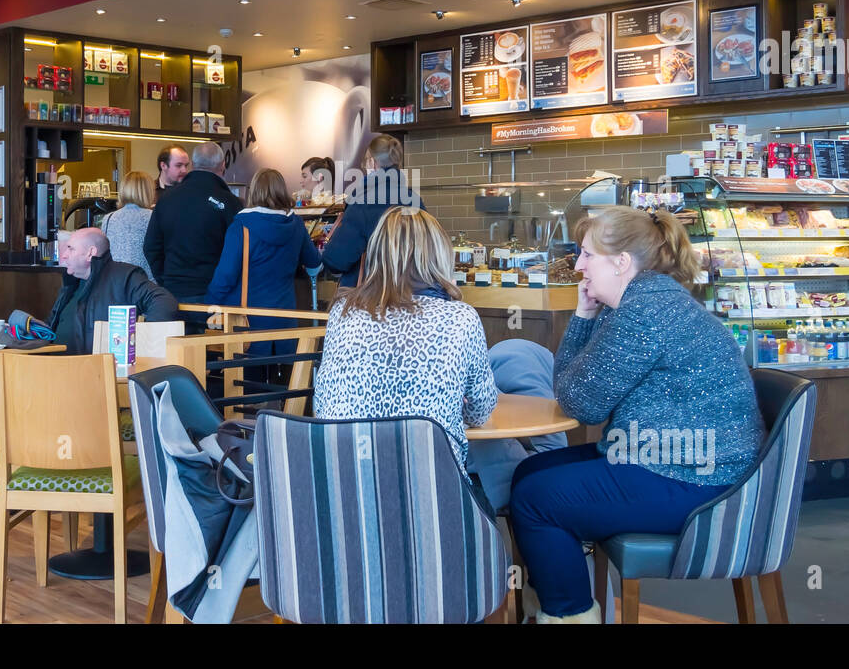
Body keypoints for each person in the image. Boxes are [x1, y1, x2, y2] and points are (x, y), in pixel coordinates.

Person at [509, 207, 765, 623]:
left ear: (622, 262)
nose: (578, 267)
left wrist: (583, 318)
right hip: (675, 460)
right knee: (530, 472)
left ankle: (569, 613)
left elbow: (581, 405)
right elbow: (572, 391)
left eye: (587, 255)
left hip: (695, 480)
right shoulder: (644, 301)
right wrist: (586, 314)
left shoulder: (644, 312)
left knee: (537, 499)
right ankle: (560, 600)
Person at [314, 207, 496, 482]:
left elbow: (323, 401)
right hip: (430, 491)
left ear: (378, 253)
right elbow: (480, 411)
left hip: (345, 486)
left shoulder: (342, 312)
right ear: (438, 254)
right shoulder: (460, 318)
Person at [206, 169, 321, 370]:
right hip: (285, 318)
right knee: (283, 385)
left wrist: (209, 305)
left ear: (254, 191)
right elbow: (315, 264)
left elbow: (226, 275)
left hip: (247, 320)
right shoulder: (296, 225)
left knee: (245, 386)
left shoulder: (241, 226)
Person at [48, 227, 178, 355]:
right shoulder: (71, 283)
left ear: (90, 252)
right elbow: (50, 325)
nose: (64, 256)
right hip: (52, 365)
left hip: (93, 369)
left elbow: (163, 300)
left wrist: (143, 342)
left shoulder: (124, 277)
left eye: (71, 249)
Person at [143, 142, 242, 308]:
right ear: (223, 165)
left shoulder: (166, 199)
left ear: (194, 165)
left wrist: (166, 278)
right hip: (214, 294)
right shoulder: (229, 203)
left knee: (175, 335)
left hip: (172, 293)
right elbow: (236, 252)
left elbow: (151, 247)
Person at [320, 134, 424, 288]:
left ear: (373, 163)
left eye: (365, 162)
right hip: (410, 292)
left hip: (370, 296)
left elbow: (336, 260)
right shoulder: (414, 200)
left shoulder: (363, 201)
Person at [101, 170, 156, 280]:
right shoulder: (153, 217)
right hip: (146, 284)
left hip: (116, 282)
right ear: (148, 192)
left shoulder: (109, 218)